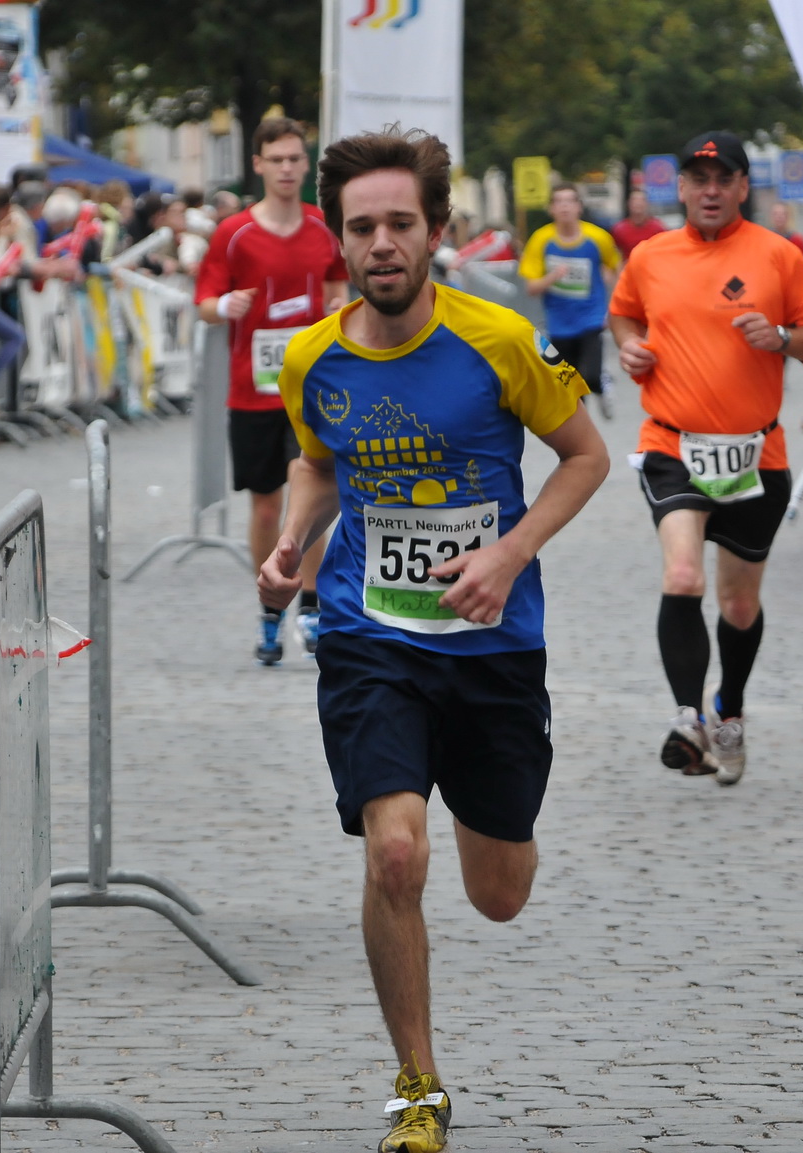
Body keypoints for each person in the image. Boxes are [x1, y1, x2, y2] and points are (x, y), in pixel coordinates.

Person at [259, 127, 607, 1153]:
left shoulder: (498, 341)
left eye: (399, 224)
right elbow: (318, 463)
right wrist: (291, 543)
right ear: (338, 236)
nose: (380, 243)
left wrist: (505, 555)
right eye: (361, 226)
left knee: (497, 894)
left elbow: (585, 457)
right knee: (395, 853)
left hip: (493, 644)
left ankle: (474, 796)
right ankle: (417, 1084)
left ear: (435, 231)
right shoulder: (315, 357)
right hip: (371, 634)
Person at [608, 131, 803, 784]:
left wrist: (783, 337)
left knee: (737, 605)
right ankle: (687, 718)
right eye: (697, 179)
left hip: (755, 452)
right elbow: (622, 316)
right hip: (671, 443)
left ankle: (728, 710)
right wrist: (630, 348)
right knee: (682, 577)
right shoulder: (649, 256)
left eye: (722, 178)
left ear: (742, 188)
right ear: (678, 188)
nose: (709, 190)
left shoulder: (778, 255)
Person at [196, 116, 349, 665]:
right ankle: (268, 610)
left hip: (312, 389)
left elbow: (337, 287)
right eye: (275, 159)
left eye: (294, 159)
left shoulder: (322, 227)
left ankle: (311, 607)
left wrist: (335, 307)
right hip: (253, 388)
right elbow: (205, 301)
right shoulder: (233, 232)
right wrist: (224, 306)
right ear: (258, 165)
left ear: (305, 165)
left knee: (312, 500)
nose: (286, 168)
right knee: (266, 510)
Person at [519, 182, 620, 410]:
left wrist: (615, 306)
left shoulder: (598, 237)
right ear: (551, 209)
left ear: (579, 207)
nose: (564, 207)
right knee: (571, 391)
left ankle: (602, 384)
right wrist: (553, 277)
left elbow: (615, 269)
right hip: (559, 323)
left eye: (569, 201)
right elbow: (531, 288)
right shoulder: (540, 240)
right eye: (558, 202)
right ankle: (584, 438)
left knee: (591, 376)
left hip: (592, 318)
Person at [611, 188, 666, 258]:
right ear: (628, 203)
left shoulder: (658, 228)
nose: (638, 203)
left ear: (647, 204)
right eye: (635, 200)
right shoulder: (619, 230)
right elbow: (616, 256)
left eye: (642, 200)